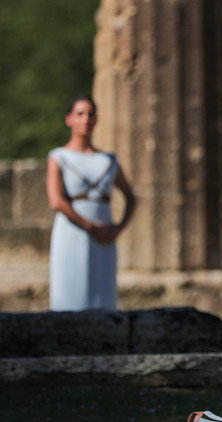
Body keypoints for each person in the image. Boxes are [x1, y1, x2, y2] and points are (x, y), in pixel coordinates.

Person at [46, 94, 136, 311]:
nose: (86, 119)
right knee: (69, 297)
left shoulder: (108, 160)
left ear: (96, 119)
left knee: (102, 295)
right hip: (71, 233)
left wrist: (118, 228)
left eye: (91, 114)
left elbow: (131, 197)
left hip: (104, 236)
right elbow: (56, 201)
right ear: (69, 119)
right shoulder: (59, 157)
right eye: (80, 114)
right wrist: (89, 226)